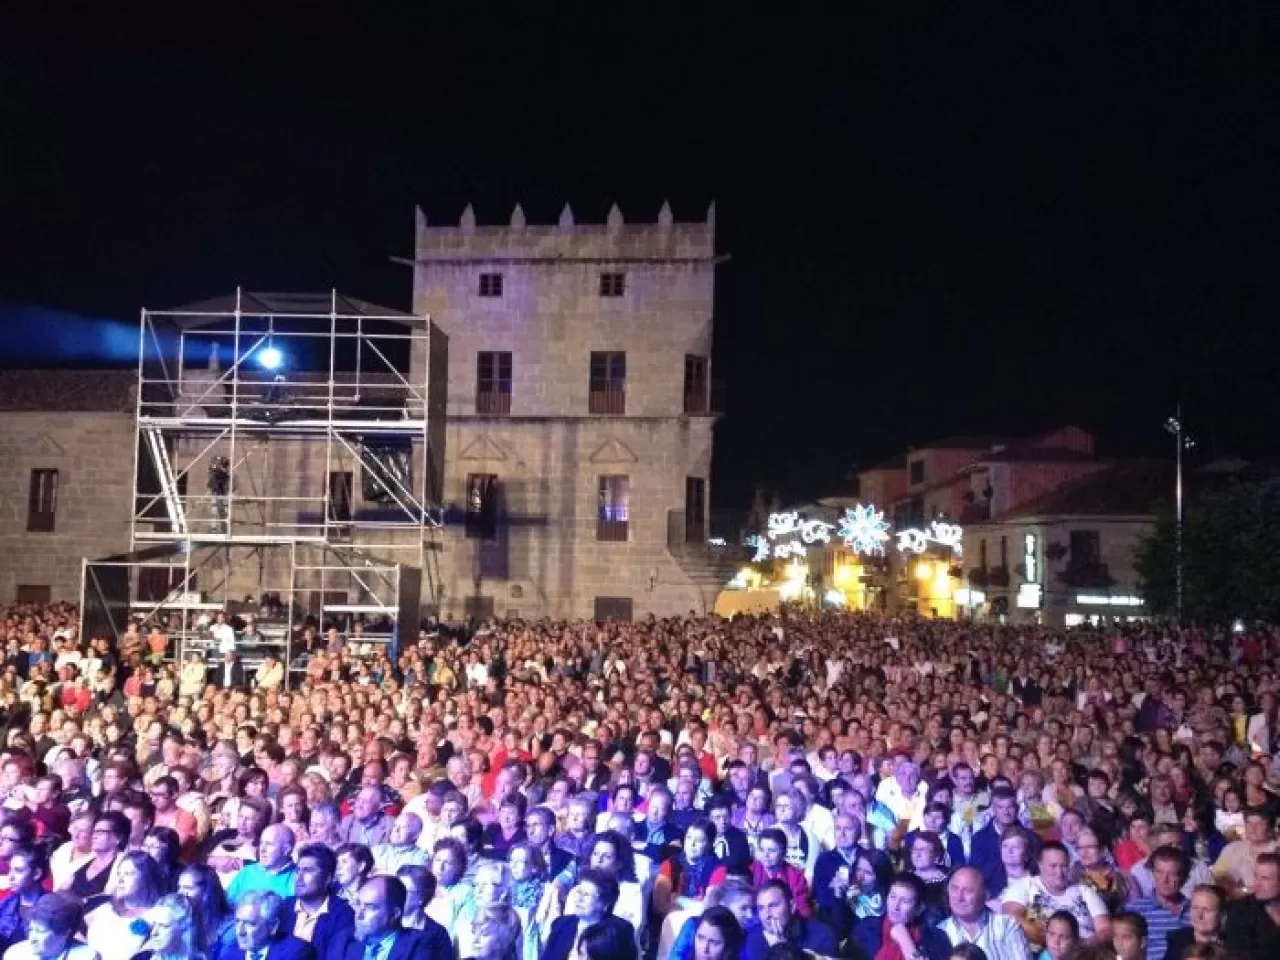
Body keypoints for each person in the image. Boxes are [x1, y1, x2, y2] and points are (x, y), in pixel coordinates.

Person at [1000, 841, 1110, 948]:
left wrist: (1082, 945)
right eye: (1053, 866)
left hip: (1085, 952)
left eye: (1064, 866)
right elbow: (1010, 917)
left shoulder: (1084, 891)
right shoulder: (1025, 886)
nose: (1059, 872)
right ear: (1040, 865)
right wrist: (1053, 941)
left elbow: (1105, 930)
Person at [324, 876, 453, 960]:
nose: (359, 914)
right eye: (358, 904)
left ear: (394, 914)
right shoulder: (343, 940)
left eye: (370, 907)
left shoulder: (420, 943)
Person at [85, 851, 167, 960]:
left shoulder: (158, 916)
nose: (120, 880)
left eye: (128, 874)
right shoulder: (104, 908)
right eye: (119, 874)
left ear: (146, 877)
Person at [540, 870, 638, 960]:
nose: (579, 899)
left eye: (586, 895)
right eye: (579, 892)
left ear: (604, 903)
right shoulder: (561, 924)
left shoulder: (620, 931)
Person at [851, 873, 951, 960]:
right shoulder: (864, 930)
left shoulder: (936, 938)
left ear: (919, 909)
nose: (896, 906)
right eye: (893, 897)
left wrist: (906, 943)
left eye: (904, 901)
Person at [937, 867, 1030, 960]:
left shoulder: (1007, 925)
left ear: (985, 895)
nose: (959, 897)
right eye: (954, 889)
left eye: (968, 891)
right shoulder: (939, 932)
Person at [279, 844, 354, 959]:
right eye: (298, 870)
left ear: (328, 878)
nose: (299, 877)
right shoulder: (283, 908)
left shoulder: (343, 914)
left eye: (308, 871)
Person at [742, 879, 837, 960]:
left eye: (773, 906)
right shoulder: (755, 937)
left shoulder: (821, 936)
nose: (767, 915)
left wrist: (782, 949)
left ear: (792, 906)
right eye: (761, 908)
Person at [1128, 846, 1192, 960]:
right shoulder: (1135, 910)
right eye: (1159, 872)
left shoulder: (1194, 909)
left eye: (1172, 874)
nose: (1165, 880)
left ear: (1184, 877)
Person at [221, 890, 314, 960]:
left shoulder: (295, 953)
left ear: (273, 926)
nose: (240, 932)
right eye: (237, 922)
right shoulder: (228, 953)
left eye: (250, 924)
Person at [2, 893, 99, 960]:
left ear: (65, 932)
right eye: (31, 930)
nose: (32, 938)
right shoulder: (14, 954)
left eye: (40, 931)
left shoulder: (88, 956)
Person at [1223, 850, 1280, 960]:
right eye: (1256, 876)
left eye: (1265, 878)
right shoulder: (1240, 910)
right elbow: (1239, 953)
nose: (1257, 883)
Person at [177, 864, 235, 960]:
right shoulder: (181, 920)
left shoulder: (229, 926)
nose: (181, 893)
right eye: (179, 887)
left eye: (188, 888)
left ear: (206, 891)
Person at [1163, 885, 1228, 960]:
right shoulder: (1178, 943)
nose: (1199, 915)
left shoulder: (1233, 945)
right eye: (1195, 908)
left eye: (1206, 910)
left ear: (1221, 914)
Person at [133, 894, 202, 960]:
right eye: (153, 925)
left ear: (184, 925)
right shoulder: (142, 957)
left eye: (163, 926)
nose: (154, 933)